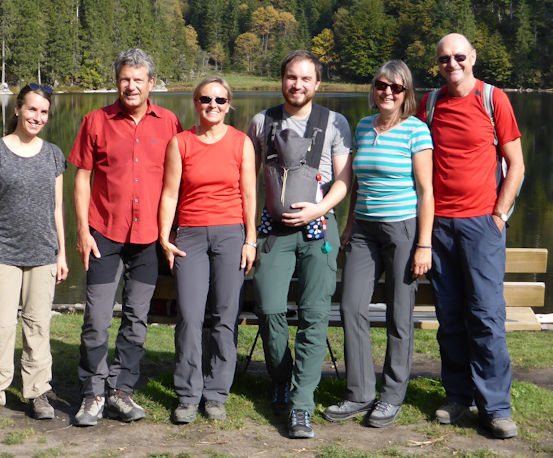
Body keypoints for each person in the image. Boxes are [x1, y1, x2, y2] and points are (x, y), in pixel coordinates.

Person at [416, 33, 525, 439]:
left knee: (486, 317)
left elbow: (515, 164)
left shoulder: (493, 98)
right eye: (444, 58)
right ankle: (458, 395)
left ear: (473, 58)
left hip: (482, 225)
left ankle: (495, 407)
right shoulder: (429, 103)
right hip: (440, 226)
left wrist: (499, 215)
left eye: (459, 56)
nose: (452, 64)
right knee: (450, 318)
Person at [68, 48, 182, 426]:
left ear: (152, 83)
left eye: (138, 79)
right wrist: (83, 231)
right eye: (124, 79)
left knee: (136, 318)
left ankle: (122, 390)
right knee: (97, 319)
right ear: (116, 81)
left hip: (149, 238)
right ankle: (92, 393)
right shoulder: (95, 121)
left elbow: (176, 181)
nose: (130, 86)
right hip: (105, 234)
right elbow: (82, 177)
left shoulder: (169, 123)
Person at [248, 50, 352, 439]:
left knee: (313, 316)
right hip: (273, 231)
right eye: (292, 77)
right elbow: (248, 178)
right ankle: (282, 376)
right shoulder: (262, 122)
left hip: (318, 231)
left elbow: (344, 181)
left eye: (306, 79)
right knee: (269, 308)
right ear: (282, 80)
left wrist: (318, 210)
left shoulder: (336, 122)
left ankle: (301, 405)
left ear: (317, 83)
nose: (298, 85)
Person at [323, 60, 434, 428]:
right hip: (364, 232)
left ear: (406, 93)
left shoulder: (416, 131)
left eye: (396, 88)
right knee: (351, 307)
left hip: (401, 230)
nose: (387, 92)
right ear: (373, 89)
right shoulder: (363, 126)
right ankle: (359, 393)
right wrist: (350, 223)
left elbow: (425, 190)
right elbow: (355, 183)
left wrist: (423, 244)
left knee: (398, 315)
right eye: (381, 85)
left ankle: (392, 395)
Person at [158, 76, 257, 424]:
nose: (212, 105)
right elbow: (170, 193)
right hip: (190, 237)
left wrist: (250, 239)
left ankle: (216, 394)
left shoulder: (242, 143)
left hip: (231, 235)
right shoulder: (180, 142)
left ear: (229, 104)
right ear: (195, 102)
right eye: (205, 99)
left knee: (224, 317)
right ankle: (188, 394)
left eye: (220, 99)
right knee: (188, 316)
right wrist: (164, 237)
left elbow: (249, 195)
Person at [0, 83, 69, 422]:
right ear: (17, 109)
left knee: (38, 326)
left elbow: (57, 208)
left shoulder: (55, 155)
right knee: (1, 326)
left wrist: (62, 254)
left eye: (43, 112)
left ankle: (37, 392)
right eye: (32, 110)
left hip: (44, 253)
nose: (37, 117)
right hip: (1, 252)